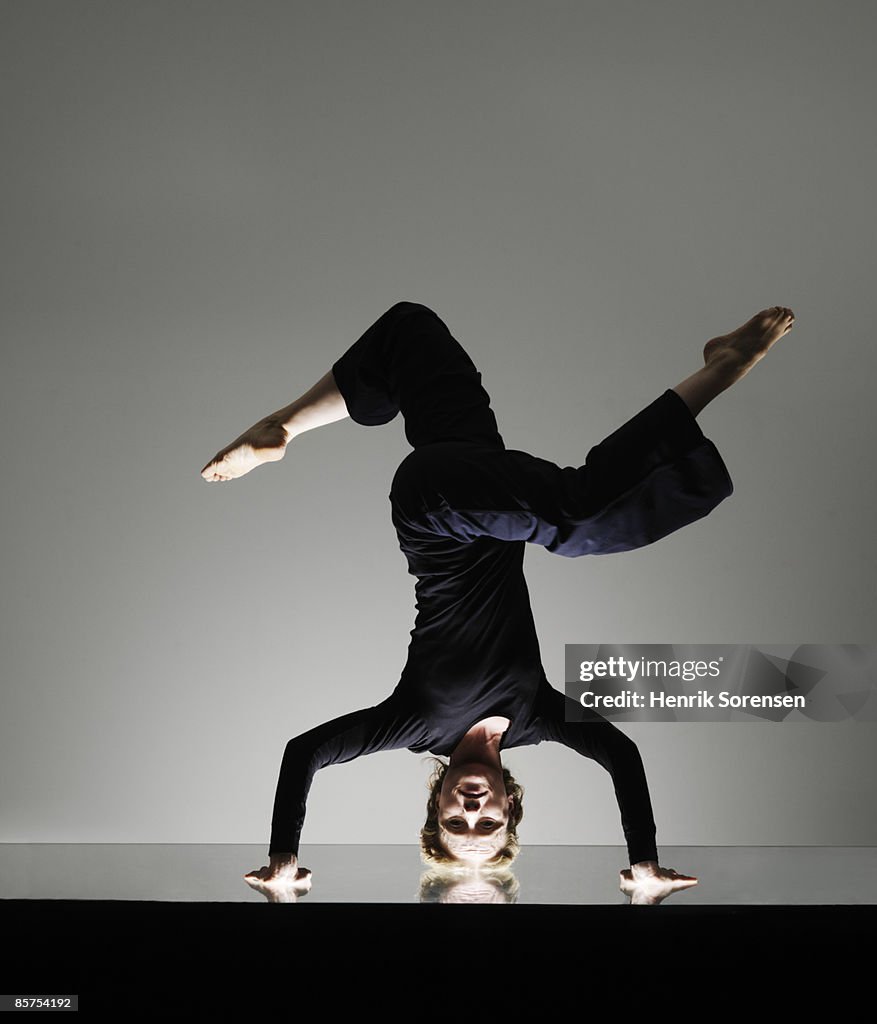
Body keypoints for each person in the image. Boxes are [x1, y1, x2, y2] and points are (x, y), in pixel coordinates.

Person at [201, 299, 795, 904]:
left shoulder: (415, 724)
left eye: (455, 823)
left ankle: (720, 367)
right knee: (412, 330)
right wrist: (643, 860)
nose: (473, 812)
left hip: (437, 515)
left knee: (579, 515)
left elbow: (307, 752)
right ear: (512, 804)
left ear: (436, 802)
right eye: (490, 824)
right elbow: (621, 754)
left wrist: (283, 856)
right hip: (481, 485)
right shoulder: (538, 718)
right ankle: (283, 427)